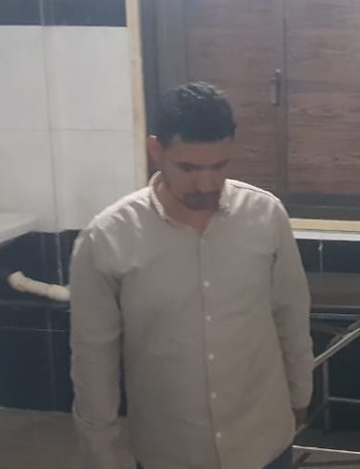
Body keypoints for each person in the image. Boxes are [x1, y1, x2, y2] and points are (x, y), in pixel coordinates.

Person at [70, 82, 313, 469]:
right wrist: (102, 453)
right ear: (156, 151)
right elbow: (93, 361)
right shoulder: (107, 238)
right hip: (168, 451)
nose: (206, 184)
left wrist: (301, 396)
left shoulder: (265, 216)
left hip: (262, 440)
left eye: (219, 166)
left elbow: (291, 314)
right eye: (188, 168)